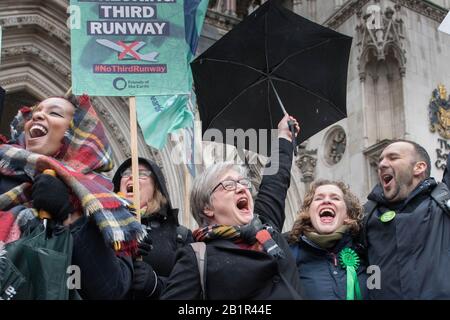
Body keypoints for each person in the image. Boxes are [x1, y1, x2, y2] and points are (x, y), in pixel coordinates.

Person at [0, 94, 144, 299]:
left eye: (54, 113)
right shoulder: (3, 176)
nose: (38, 116)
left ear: (76, 134)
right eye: (34, 113)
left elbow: (110, 289)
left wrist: (71, 215)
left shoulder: (104, 202)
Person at [161, 114, 302, 300]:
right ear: (207, 207)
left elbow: (276, 181)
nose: (241, 188)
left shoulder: (267, 227)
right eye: (229, 185)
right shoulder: (197, 258)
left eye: (243, 183)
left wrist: (284, 136)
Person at [363, 140, 450, 299]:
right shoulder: (366, 216)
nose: (381, 164)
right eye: (380, 160)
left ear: (419, 167)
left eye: (393, 157)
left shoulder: (442, 206)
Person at [112, 157, 193, 299]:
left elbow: (191, 288)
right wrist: (122, 253)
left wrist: (155, 284)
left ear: (156, 187)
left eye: (142, 174)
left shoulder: (180, 235)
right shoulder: (101, 228)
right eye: (126, 173)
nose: (131, 176)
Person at [286, 180, 368, 300]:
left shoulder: (365, 249)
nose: (326, 201)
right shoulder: (290, 255)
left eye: (335, 198)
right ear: (309, 213)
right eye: (319, 198)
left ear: (347, 214)